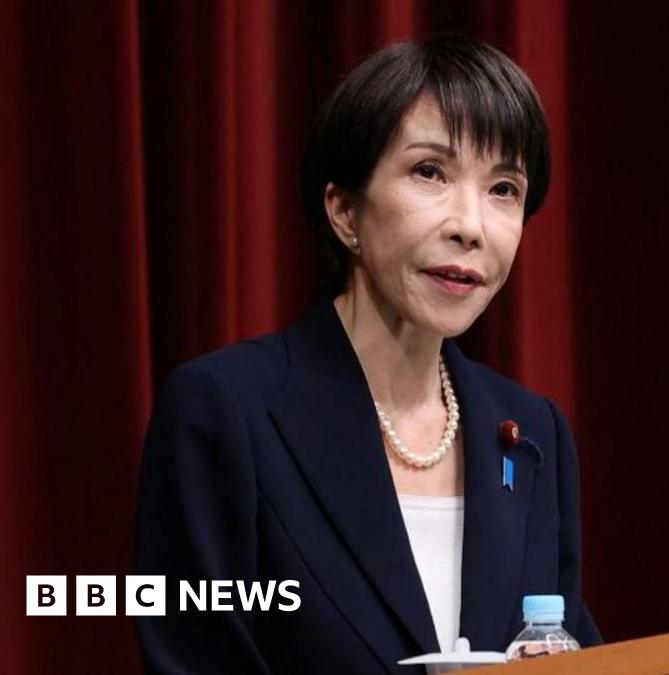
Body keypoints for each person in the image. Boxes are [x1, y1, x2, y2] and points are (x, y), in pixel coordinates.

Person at [134, 34, 600, 674]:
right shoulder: (226, 413)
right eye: (430, 172)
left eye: (504, 189)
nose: (472, 225)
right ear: (345, 211)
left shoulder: (531, 435)